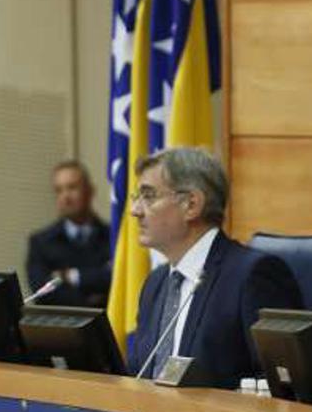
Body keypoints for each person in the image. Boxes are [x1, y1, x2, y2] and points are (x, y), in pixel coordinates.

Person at [124, 147, 302, 385]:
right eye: (137, 197)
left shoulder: (252, 275)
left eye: (149, 196)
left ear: (191, 205)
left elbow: (283, 382)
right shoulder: (155, 283)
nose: (135, 211)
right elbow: (139, 373)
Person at [25, 160, 112, 308]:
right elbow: (43, 294)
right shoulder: (41, 242)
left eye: (72, 188)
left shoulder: (113, 238)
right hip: (61, 322)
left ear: (90, 191)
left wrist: (71, 277)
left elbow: (117, 283)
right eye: (59, 190)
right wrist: (92, 298)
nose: (65, 196)